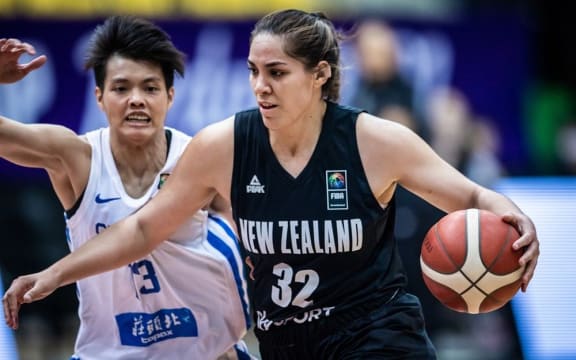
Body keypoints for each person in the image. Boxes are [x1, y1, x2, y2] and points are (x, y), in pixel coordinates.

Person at [3, 9, 540, 359]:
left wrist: (512, 216)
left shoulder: (375, 140)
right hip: (287, 341)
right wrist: (55, 274)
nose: (260, 86)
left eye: (276, 72)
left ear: (320, 74)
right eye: (253, 71)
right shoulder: (225, 146)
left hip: (375, 334)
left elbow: (469, 195)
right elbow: (143, 228)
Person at [0, 18, 253, 360]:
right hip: (107, 352)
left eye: (150, 88)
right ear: (100, 97)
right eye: (121, 89)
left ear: (170, 97)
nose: (136, 100)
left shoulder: (199, 159)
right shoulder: (77, 157)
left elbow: (245, 247)